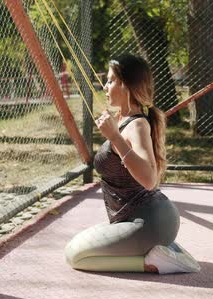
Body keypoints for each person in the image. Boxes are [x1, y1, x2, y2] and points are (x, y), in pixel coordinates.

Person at [64, 54, 200, 274]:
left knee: (75, 256)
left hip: (150, 222)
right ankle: (168, 251)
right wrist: (114, 133)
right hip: (140, 221)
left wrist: (115, 137)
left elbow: (149, 180)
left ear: (125, 85)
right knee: (76, 249)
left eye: (110, 80)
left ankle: (154, 262)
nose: (105, 86)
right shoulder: (123, 120)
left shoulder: (137, 125)